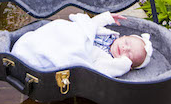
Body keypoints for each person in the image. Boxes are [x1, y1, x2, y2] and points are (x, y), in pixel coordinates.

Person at [10, 11, 153, 77]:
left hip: (75, 49)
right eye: (127, 42)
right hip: (66, 34)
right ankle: (29, 45)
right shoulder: (108, 34)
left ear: (128, 64)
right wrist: (106, 17)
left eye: (129, 54)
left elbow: (100, 71)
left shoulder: (108, 60)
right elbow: (90, 25)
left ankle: (31, 55)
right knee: (58, 26)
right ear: (123, 36)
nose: (124, 48)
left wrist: (123, 64)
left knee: (54, 53)